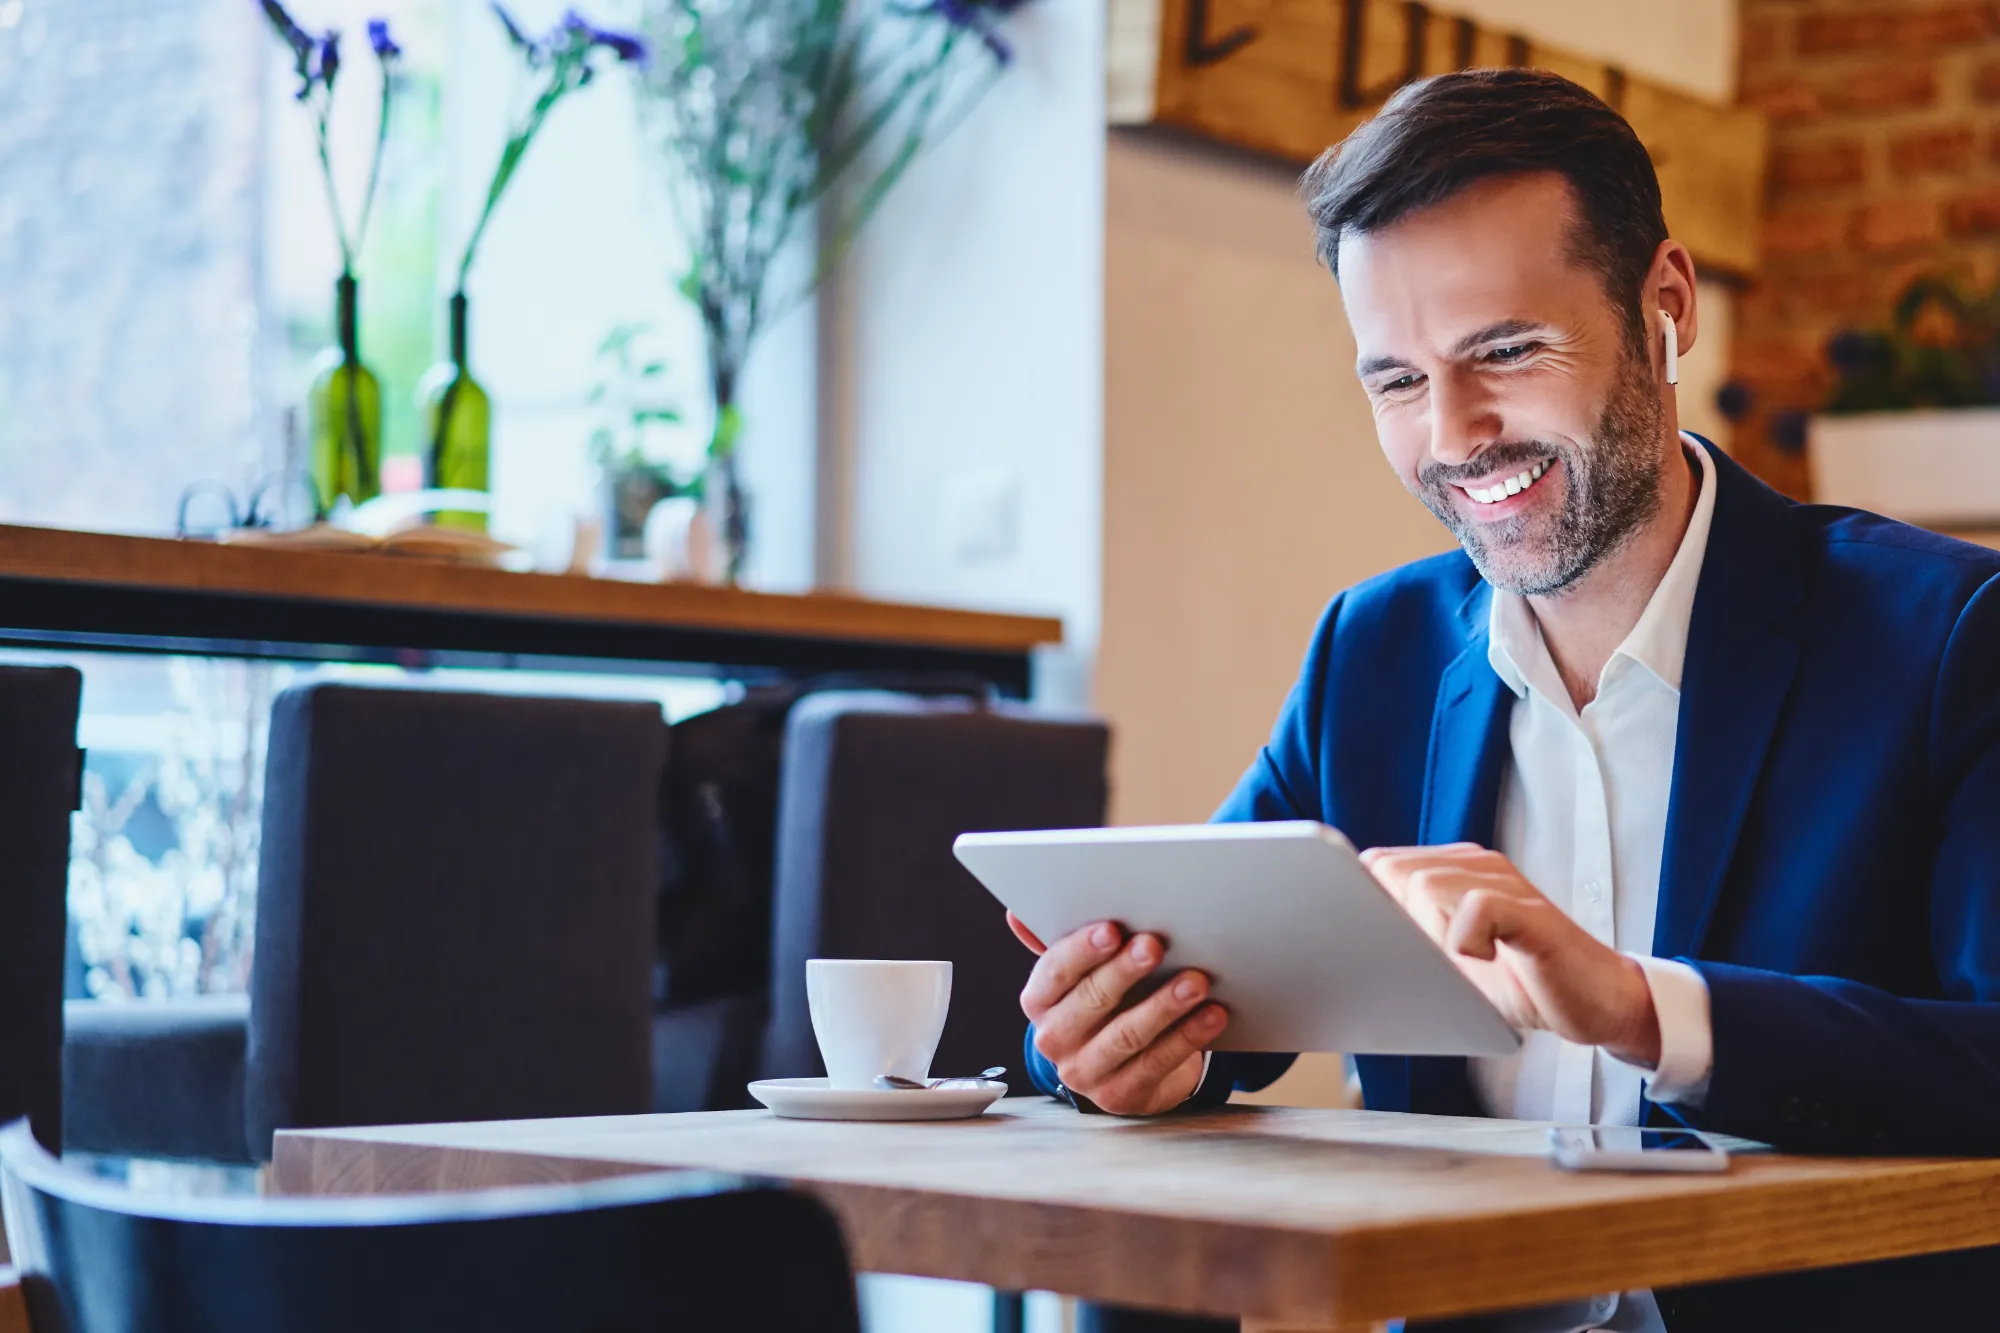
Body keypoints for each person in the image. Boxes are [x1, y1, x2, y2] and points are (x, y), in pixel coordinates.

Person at [1011, 68, 2000, 1332]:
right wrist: (1115, 1048)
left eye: (1506, 351)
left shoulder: (1943, 637)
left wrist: (1645, 1009)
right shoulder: (1370, 651)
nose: (1455, 434)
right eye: (1395, 382)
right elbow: (1208, 976)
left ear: (1665, 306)